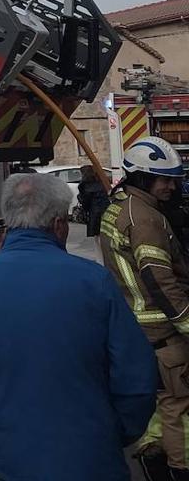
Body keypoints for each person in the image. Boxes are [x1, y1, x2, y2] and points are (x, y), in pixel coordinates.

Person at [0, 171, 157, 481]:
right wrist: (118, 429)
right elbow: (137, 374)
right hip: (93, 455)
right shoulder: (95, 281)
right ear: (58, 225)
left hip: (15, 453)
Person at [100, 136, 189, 481]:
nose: (171, 186)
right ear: (141, 178)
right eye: (164, 179)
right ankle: (181, 470)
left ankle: (153, 458)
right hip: (164, 333)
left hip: (138, 329)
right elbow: (160, 282)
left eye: (173, 179)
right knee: (180, 408)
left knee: (162, 402)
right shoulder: (147, 218)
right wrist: (186, 324)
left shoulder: (119, 206)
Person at [80, 163, 112, 237]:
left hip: (94, 212)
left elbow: (86, 202)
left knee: (95, 235)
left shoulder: (85, 185)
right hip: (106, 210)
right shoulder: (102, 181)